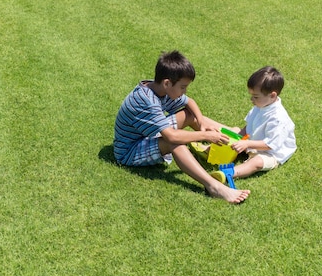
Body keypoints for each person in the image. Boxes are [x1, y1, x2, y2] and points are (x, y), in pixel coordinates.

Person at [113, 50, 250, 204]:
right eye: (183, 87)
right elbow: (171, 136)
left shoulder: (158, 88)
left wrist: (201, 123)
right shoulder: (146, 101)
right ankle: (214, 187)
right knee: (174, 142)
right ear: (167, 83)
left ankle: (235, 139)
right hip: (129, 152)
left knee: (189, 115)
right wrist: (205, 136)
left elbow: (188, 102)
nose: (184, 91)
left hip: (145, 136)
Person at [211, 66, 297, 184]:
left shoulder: (278, 119)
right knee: (235, 131)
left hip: (271, 153)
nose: (252, 99)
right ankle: (209, 149)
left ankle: (228, 173)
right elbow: (248, 127)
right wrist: (237, 138)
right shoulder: (260, 105)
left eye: (255, 96)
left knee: (256, 162)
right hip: (252, 142)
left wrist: (246, 143)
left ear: (272, 95)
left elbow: (270, 145)